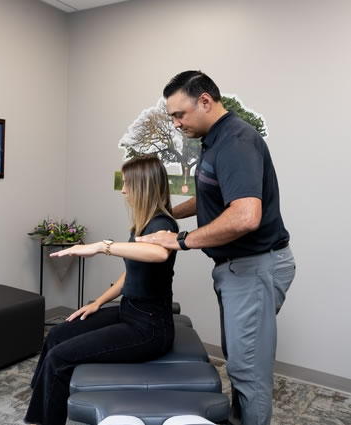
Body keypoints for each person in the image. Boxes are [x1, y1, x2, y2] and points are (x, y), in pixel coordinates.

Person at [136, 71, 296, 425]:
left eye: (180, 114)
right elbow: (212, 195)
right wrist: (165, 214)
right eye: (172, 117)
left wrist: (180, 240)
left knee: (247, 370)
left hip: (254, 266)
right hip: (239, 268)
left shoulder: (236, 141)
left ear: (205, 101)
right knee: (239, 360)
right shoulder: (214, 139)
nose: (176, 123)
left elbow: (244, 216)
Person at [24, 155, 179, 425]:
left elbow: (159, 254)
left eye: (127, 183)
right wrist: (98, 302)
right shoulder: (143, 224)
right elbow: (131, 272)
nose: (123, 190)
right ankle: (40, 406)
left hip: (150, 329)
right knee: (58, 334)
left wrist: (101, 246)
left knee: (60, 359)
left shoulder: (162, 225)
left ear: (143, 186)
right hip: (128, 312)